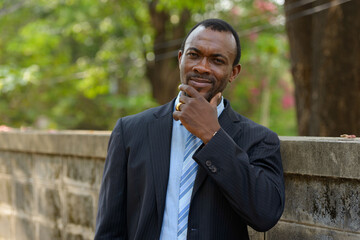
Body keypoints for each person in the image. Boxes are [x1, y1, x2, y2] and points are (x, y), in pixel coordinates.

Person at [94, 18, 285, 240]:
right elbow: (110, 229)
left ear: (233, 73)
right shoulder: (130, 130)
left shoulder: (259, 139)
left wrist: (213, 136)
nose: (201, 67)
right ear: (180, 59)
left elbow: (265, 215)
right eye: (194, 55)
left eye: (217, 60)